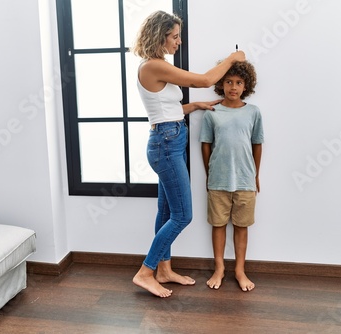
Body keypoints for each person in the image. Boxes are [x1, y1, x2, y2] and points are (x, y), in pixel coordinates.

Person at [131, 10, 246, 298]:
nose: (178, 42)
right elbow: (205, 80)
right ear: (160, 36)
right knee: (183, 216)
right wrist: (232, 59)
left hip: (171, 138)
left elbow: (166, 111)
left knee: (167, 211)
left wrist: (194, 107)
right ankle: (146, 272)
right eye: (174, 36)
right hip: (165, 145)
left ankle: (164, 270)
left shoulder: (158, 67)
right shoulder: (152, 67)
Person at [199, 60, 263, 292]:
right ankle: (219, 268)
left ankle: (239, 270)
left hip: (245, 180)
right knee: (218, 225)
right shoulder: (212, 113)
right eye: (228, 82)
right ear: (221, 84)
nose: (233, 87)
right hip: (218, 180)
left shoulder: (253, 112)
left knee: (241, 226)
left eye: (238, 82)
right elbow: (205, 145)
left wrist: (256, 175)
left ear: (246, 85)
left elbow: (257, 144)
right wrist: (209, 174)